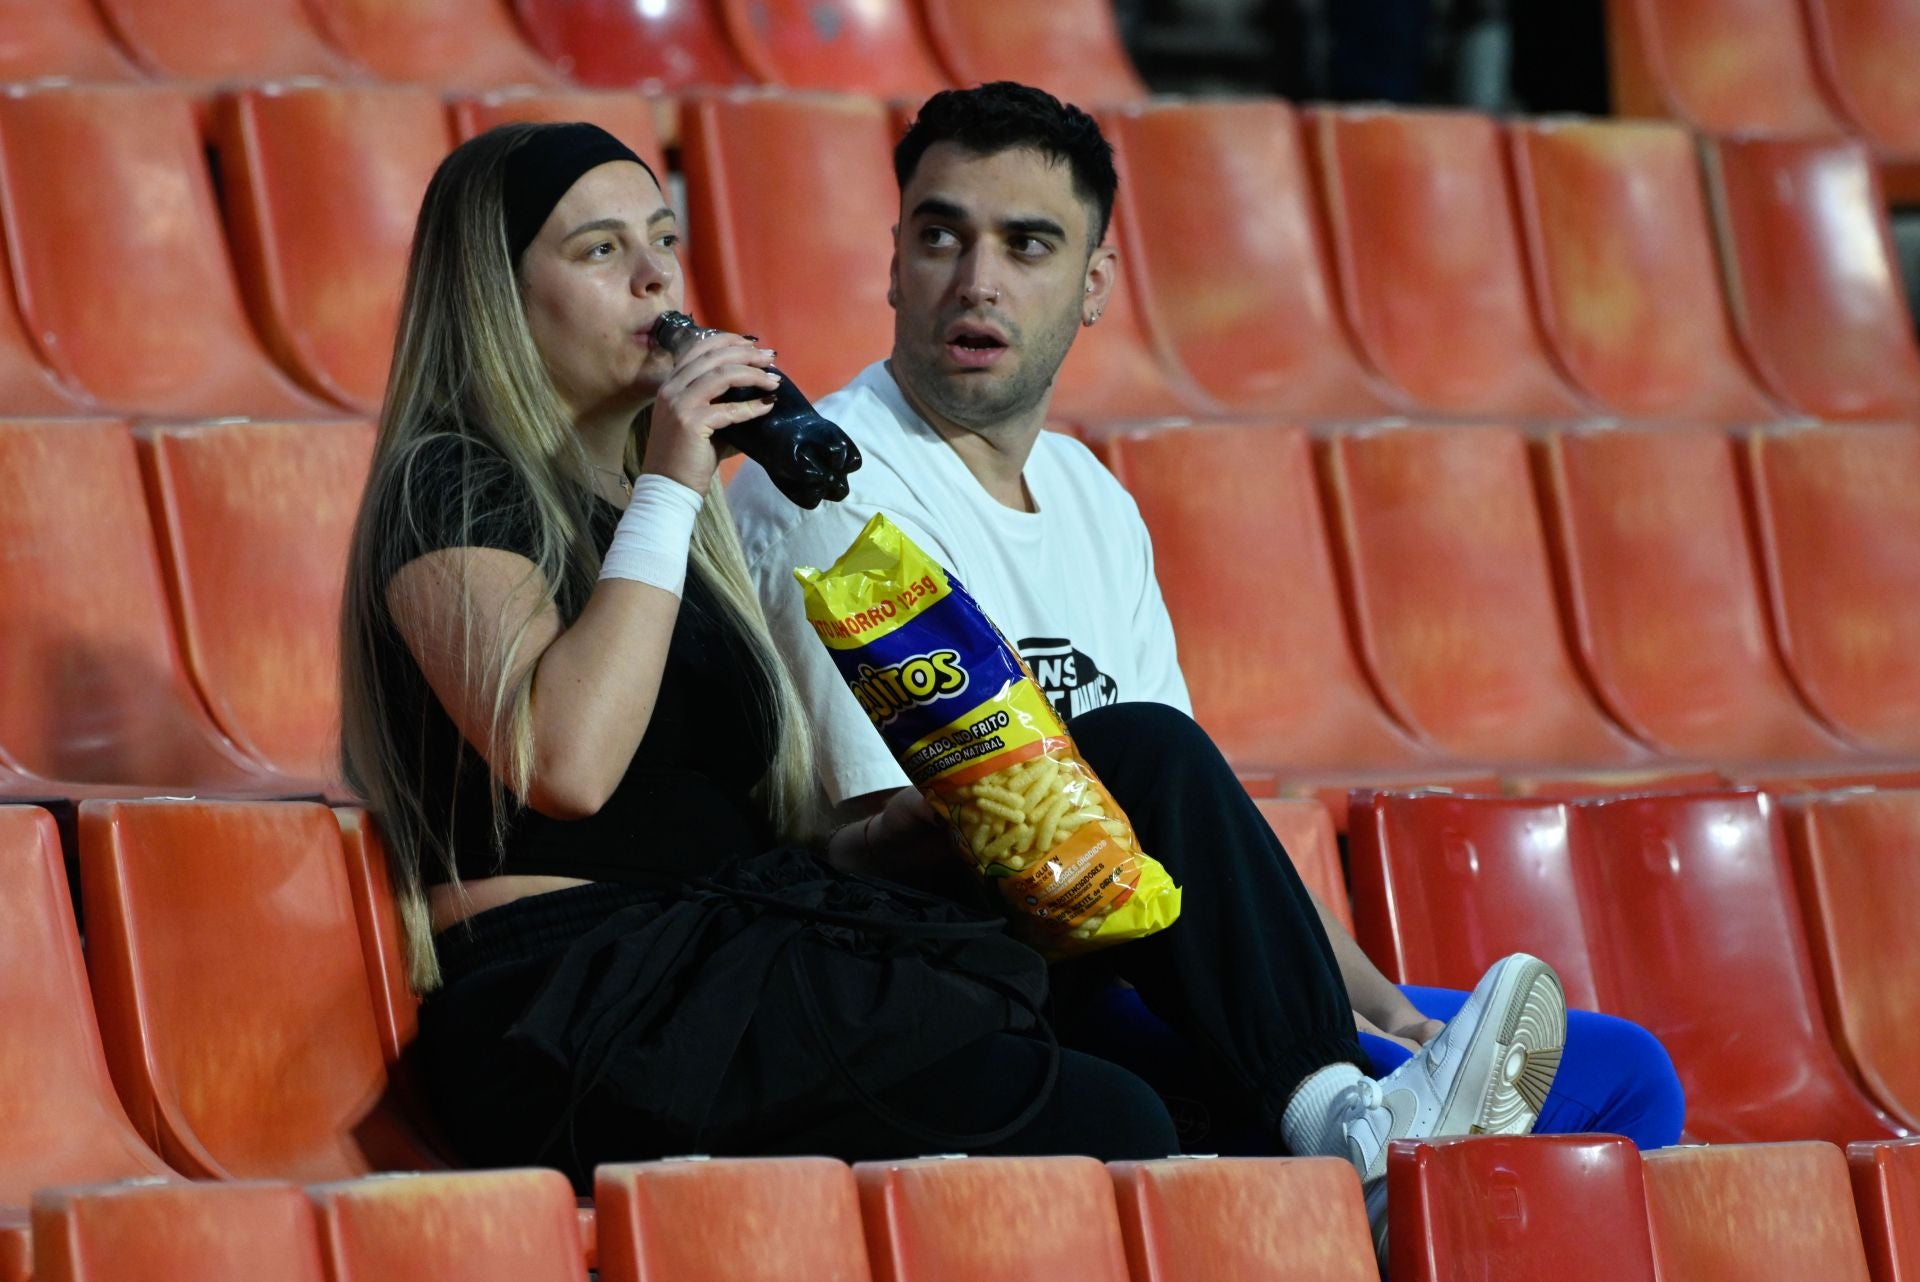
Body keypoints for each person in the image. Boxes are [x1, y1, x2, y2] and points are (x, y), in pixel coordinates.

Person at [336, 118, 1563, 1256]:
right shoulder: (453, 483)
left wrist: (893, 839)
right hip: (584, 1006)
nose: (658, 278)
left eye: (663, 238)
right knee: (1124, 1118)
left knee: (1134, 755)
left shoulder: (660, 511)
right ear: (497, 292)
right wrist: (671, 484)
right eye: (602, 251)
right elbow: (565, 761)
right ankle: (1354, 1153)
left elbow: (734, 824)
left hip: (741, 952)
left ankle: (1339, 1112)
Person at [728, 82, 1685, 1153]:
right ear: (894, 262)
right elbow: (896, 842)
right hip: (973, 979)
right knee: (1144, 754)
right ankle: (1349, 1116)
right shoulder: (825, 486)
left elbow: (1194, 829)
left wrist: (1393, 1013)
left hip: (1147, 945)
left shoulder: (1093, 498)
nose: (977, 281)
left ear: (1094, 285)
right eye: (942, 237)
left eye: (1028, 245)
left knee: (1626, 1076)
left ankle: (1366, 1114)